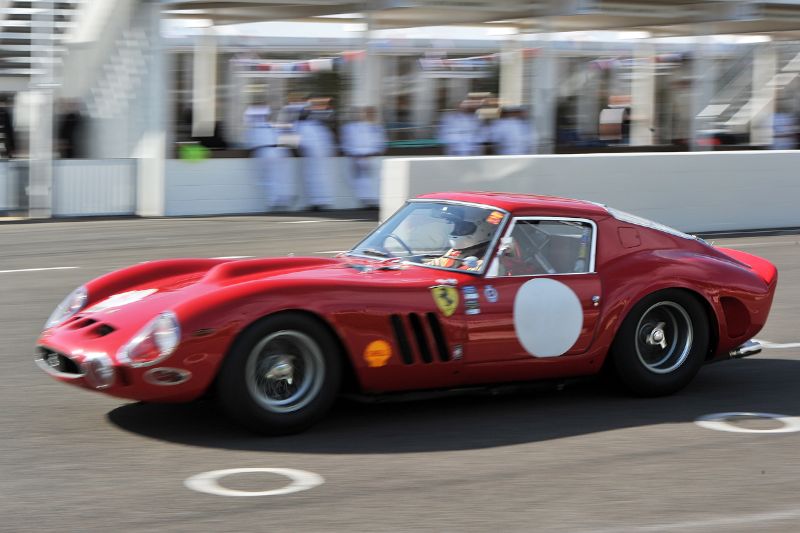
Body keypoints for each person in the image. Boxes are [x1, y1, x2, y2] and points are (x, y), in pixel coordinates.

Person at [244, 104, 295, 210]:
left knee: (268, 178)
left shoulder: (253, 129)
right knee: (280, 177)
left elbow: (248, 144)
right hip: (278, 151)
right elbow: (286, 139)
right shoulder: (272, 125)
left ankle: (274, 201)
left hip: (264, 152)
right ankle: (283, 199)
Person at [340, 107, 387, 209]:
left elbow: (381, 144)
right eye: (368, 113)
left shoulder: (376, 127)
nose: (370, 115)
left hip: (372, 158)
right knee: (360, 180)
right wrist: (356, 155)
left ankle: (373, 201)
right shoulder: (350, 128)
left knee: (374, 180)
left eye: (372, 113)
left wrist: (371, 155)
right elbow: (347, 143)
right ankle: (367, 200)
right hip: (357, 158)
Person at [426, 208, 495, 271]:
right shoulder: (455, 252)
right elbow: (439, 262)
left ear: (483, 229)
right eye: (457, 225)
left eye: (464, 227)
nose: (457, 230)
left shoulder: (485, 265)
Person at [296, 107, 335, 210]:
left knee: (312, 178)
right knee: (322, 177)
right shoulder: (318, 125)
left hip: (311, 155)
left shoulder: (300, 125)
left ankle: (316, 202)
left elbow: (297, 142)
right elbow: (328, 141)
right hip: (322, 155)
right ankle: (324, 201)